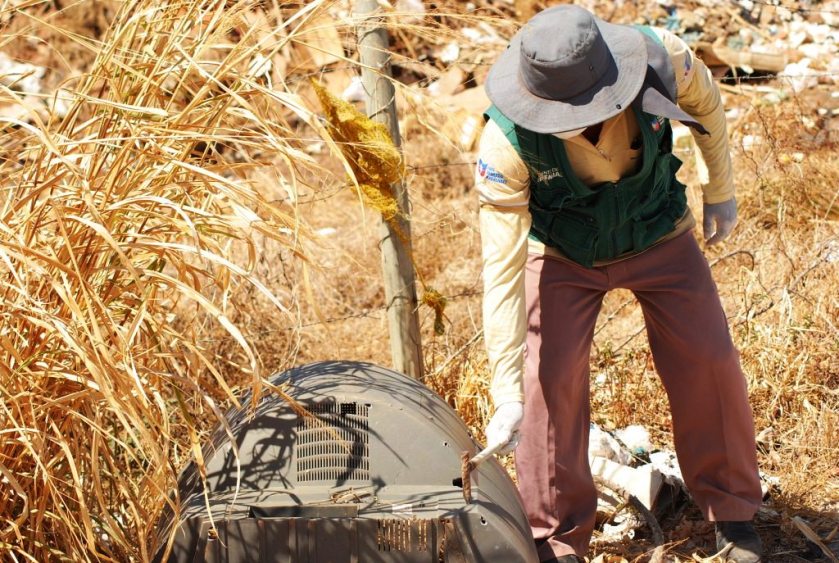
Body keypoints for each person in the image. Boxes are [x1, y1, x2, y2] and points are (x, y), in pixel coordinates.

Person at [475, 5, 763, 562]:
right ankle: (557, 539)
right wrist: (506, 392)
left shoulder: (664, 59)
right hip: (562, 251)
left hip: (657, 228)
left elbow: (708, 103)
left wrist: (720, 189)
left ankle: (732, 513)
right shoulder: (504, 145)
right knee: (546, 386)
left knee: (709, 358)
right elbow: (502, 271)